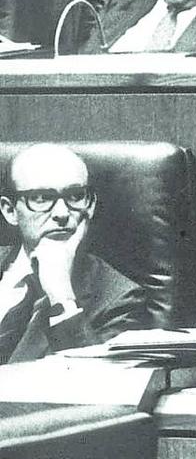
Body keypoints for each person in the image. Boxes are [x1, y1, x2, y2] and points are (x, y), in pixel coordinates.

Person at [0, 143, 148, 364]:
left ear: (91, 206)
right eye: (41, 198)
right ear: (10, 211)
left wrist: (61, 297)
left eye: (76, 196)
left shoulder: (121, 300)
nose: (62, 213)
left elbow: (99, 388)